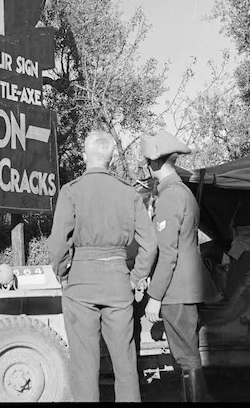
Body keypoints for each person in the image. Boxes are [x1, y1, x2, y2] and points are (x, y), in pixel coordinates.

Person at [47, 130, 158, 402]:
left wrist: (62, 274)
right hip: (119, 282)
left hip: (81, 282)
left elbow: (58, 243)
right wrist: (136, 277)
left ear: (85, 156)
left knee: (84, 367)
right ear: (109, 160)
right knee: (125, 364)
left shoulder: (71, 191)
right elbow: (151, 244)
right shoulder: (127, 192)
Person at [140, 129, 209, 402]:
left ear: (154, 163)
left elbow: (168, 254)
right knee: (188, 357)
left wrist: (154, 297)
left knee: (187, 358)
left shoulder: (170, 196)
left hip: (176, 291)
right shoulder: (181, 192)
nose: (146, 166)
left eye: (147, 161)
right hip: (185, 287)